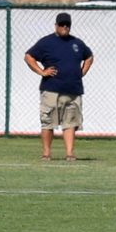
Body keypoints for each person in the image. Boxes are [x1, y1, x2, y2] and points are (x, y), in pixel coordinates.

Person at [24, 12, 94, 162]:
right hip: (51, 89)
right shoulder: (46, 42)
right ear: (56, 25)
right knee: (48, 121)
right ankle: (46, 153)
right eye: (61, 24)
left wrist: (81, 72)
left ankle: (69, 154)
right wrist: (42, 72)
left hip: (73, 90)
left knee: (70, 122)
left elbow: (89, 56)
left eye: (67, 25)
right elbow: (29, 57)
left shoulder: (77, 43)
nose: (64, 27)